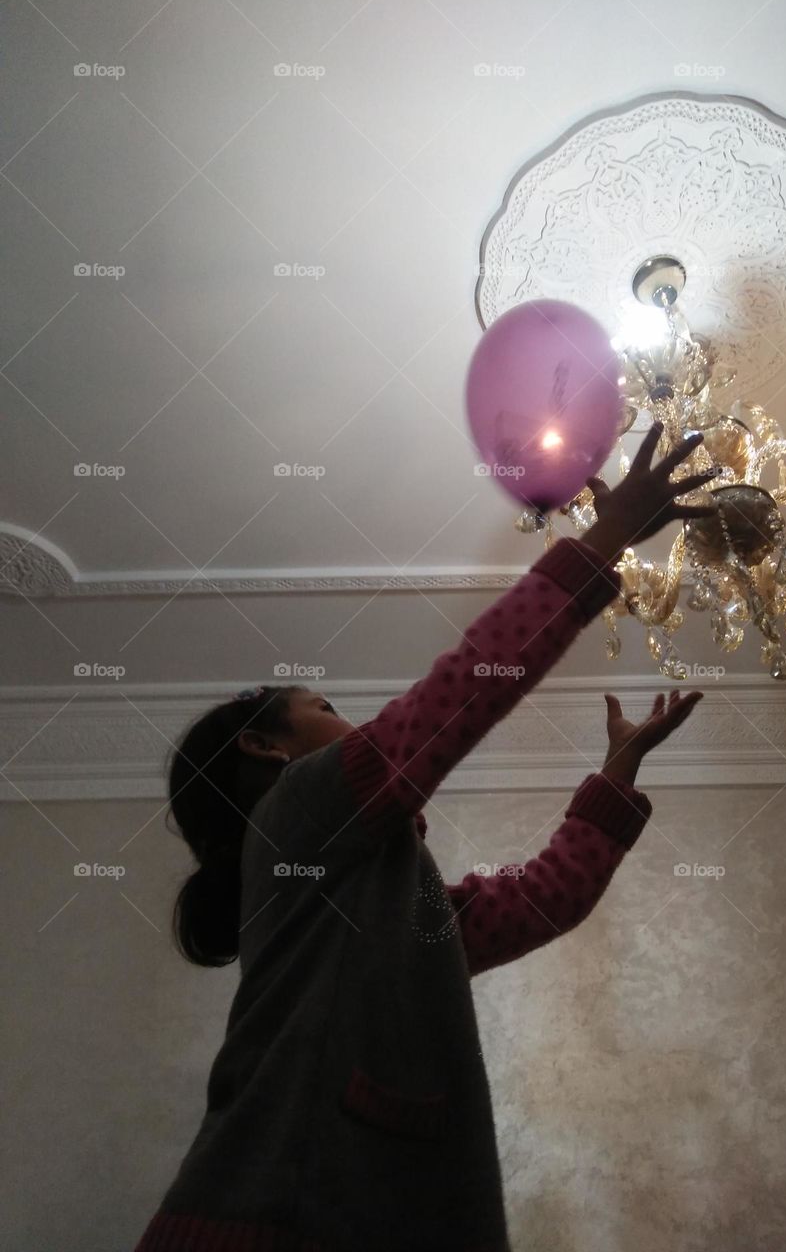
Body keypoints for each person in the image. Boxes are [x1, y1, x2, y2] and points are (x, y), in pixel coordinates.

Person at [133, 422, 717, 1252]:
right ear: (265, 746)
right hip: (271, 1219)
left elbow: (539, 903)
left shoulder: (385, 900)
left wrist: (617, 775)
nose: (354, 721)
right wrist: (610, 536)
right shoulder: (294, 810)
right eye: (325, 707)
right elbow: (459, 694)